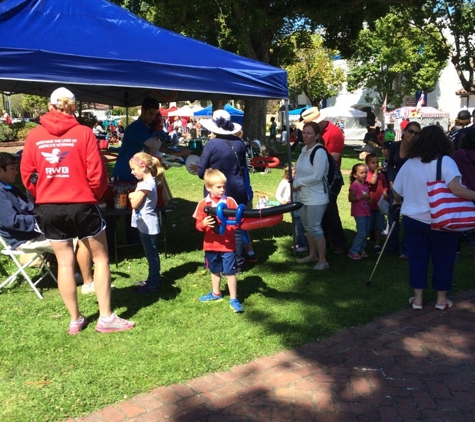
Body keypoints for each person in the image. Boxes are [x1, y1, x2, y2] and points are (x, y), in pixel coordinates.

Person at [20, 87, 135, 334]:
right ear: (73, 108)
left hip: (47, 206)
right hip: (81, 203)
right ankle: (105, 317)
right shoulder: (83, 133)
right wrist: (92, 195)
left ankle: (75, 319)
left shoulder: (34, 136)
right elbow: (98, 173)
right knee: (101, 258)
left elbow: (27, 174)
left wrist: (42, 193)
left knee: (64, 262)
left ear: (50, 107)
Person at [392, 125, 475, 310]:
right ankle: (441, 299)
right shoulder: (446, 162)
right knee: (444, 259)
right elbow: (456, 189)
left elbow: (396, 191)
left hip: (413, 219)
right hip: (441, 220)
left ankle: (418, 299)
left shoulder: (410, 163)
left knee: (417, 259)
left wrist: (400, 201)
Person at [0, 152, 96, 294]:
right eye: (12, 168)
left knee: (71, 228)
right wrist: (39, 221)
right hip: (24, 238)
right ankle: (84, 280)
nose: (16, 172)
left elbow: (30, 208)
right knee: (76, 238)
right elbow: (12, 222)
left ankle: (73, 271)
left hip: (33, 231)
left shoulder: (10, 188)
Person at [196, 110, 253, 272]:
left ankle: (215, 259)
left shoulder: (212, 144)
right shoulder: (240, 143)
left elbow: (201, 172)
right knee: (237, 226)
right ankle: (238, 262)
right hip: (238, 188)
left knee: (214, 223)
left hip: (216, 189)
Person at [193, 169, 244, 313]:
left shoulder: (229, 202)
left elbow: (239, 220)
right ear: (208, 187)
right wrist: (204, 223)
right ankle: (216, 293)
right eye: (218, 187)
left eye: (223, 186)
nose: (222, 190)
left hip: (228, 245)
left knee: (230, 272)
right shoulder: (203, 204)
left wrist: (233, 224)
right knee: (214, 270)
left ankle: (234, 298)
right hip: (210, 245)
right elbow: (197, 226)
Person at [112, 97, 189, 182]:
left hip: (134, 172)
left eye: (154, 114)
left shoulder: (146, 127)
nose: (152, 117)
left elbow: (149, 150)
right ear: (142, 110)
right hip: (123, 173)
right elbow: (152, 144)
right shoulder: (136, 127)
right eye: (150, 113)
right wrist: (175, 153)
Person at [293, 121, 330, 270]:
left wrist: (298, 182)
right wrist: (297, 183)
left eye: (309, 133)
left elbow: (317, 175)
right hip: (304, 195)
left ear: (317, 135)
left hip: (317, 197)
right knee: (308, 227)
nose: (305, 136)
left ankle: (323, 260)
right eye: (304, 132)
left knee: (315, 227)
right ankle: (312, 255)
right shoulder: (304, 150)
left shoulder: (319, 152)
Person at [128, 152, 163, 293]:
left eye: (133, 169)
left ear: (143, 167)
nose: (132, 172)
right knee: (151, 253)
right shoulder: (146, 183)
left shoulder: (147, 185)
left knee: (151, 254)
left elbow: (135, 204)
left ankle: (153, 283)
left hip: (147, 224)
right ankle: (152, 278)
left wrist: (131, 195)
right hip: (144, 223)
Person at [386, 121, 421, 258]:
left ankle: (406, 249)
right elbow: (389, 165)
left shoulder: (417, 150)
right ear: (405, 131)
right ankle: (391, 245)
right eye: (410, 131)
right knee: (392, 215)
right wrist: (390, 182)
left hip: (411, 187)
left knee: (408, 218)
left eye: (416, 133)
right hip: (395, 185)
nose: (412, 135)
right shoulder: (395, 146)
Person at [275, 165, 307, 252]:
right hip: (291, 204)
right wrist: (283, 200)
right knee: (296, 224)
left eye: (294, 171)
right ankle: (299, 242)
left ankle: (302, 243)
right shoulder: (285, 182)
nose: (293, 173)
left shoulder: (299, 180)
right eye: (291, 172)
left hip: (300, 204)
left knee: (299, 224)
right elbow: (278, 194)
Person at [365, 153, 388, 253]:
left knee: (378, 225)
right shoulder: (367, 175)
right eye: (372, 163)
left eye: (376, 162)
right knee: (368, 224)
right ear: (367, 164)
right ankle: (365, 242)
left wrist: (385, 192)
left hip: (379, 204)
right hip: (369, 204)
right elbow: (372, 182)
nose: (375, 164)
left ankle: (377, 244)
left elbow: (384, 186)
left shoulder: (381, 175)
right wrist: (375, 172)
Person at [347, 163, 371, 260]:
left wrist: (369, 199)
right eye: (361, 173)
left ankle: (361, 249)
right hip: (359, 212)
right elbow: (350, 198)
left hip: (366, 211)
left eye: (365, 172)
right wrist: (361, 197)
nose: (364, 175)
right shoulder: (355, 185)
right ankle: (353, 250)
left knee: (366, 232)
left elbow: (367, 197)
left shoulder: (365, 185)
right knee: (361, 232)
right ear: (354, 175)